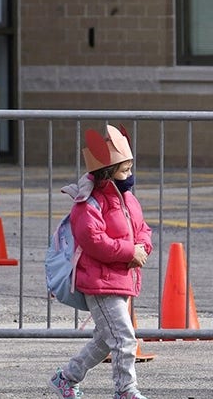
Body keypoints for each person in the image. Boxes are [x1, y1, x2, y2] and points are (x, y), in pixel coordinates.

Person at [48, 125, 153, 399]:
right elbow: (93, 240)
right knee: (123, 339)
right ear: (107, 173)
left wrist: (143, 246)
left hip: (121, 279)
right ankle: (125, 390)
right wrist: (129, 251)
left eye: (130, 169)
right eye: (124, 170)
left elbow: (143, 228)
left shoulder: (128, 198)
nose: (129, 175)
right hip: (100, 282)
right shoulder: (88, 203)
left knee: (105, 341)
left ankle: (66, 378)